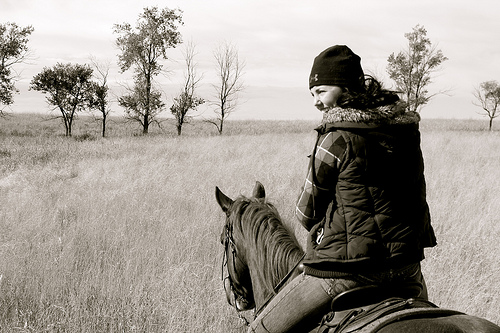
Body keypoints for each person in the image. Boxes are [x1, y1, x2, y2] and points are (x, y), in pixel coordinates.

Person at [248, 45, 437, 333]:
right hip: (407, 269)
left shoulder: (335, 137)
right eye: (312, 94)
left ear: (346, 88)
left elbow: (306, 213)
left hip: (347, 273)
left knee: (258, 330)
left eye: (321, 91)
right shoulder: (406, 133)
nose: (316, 102)